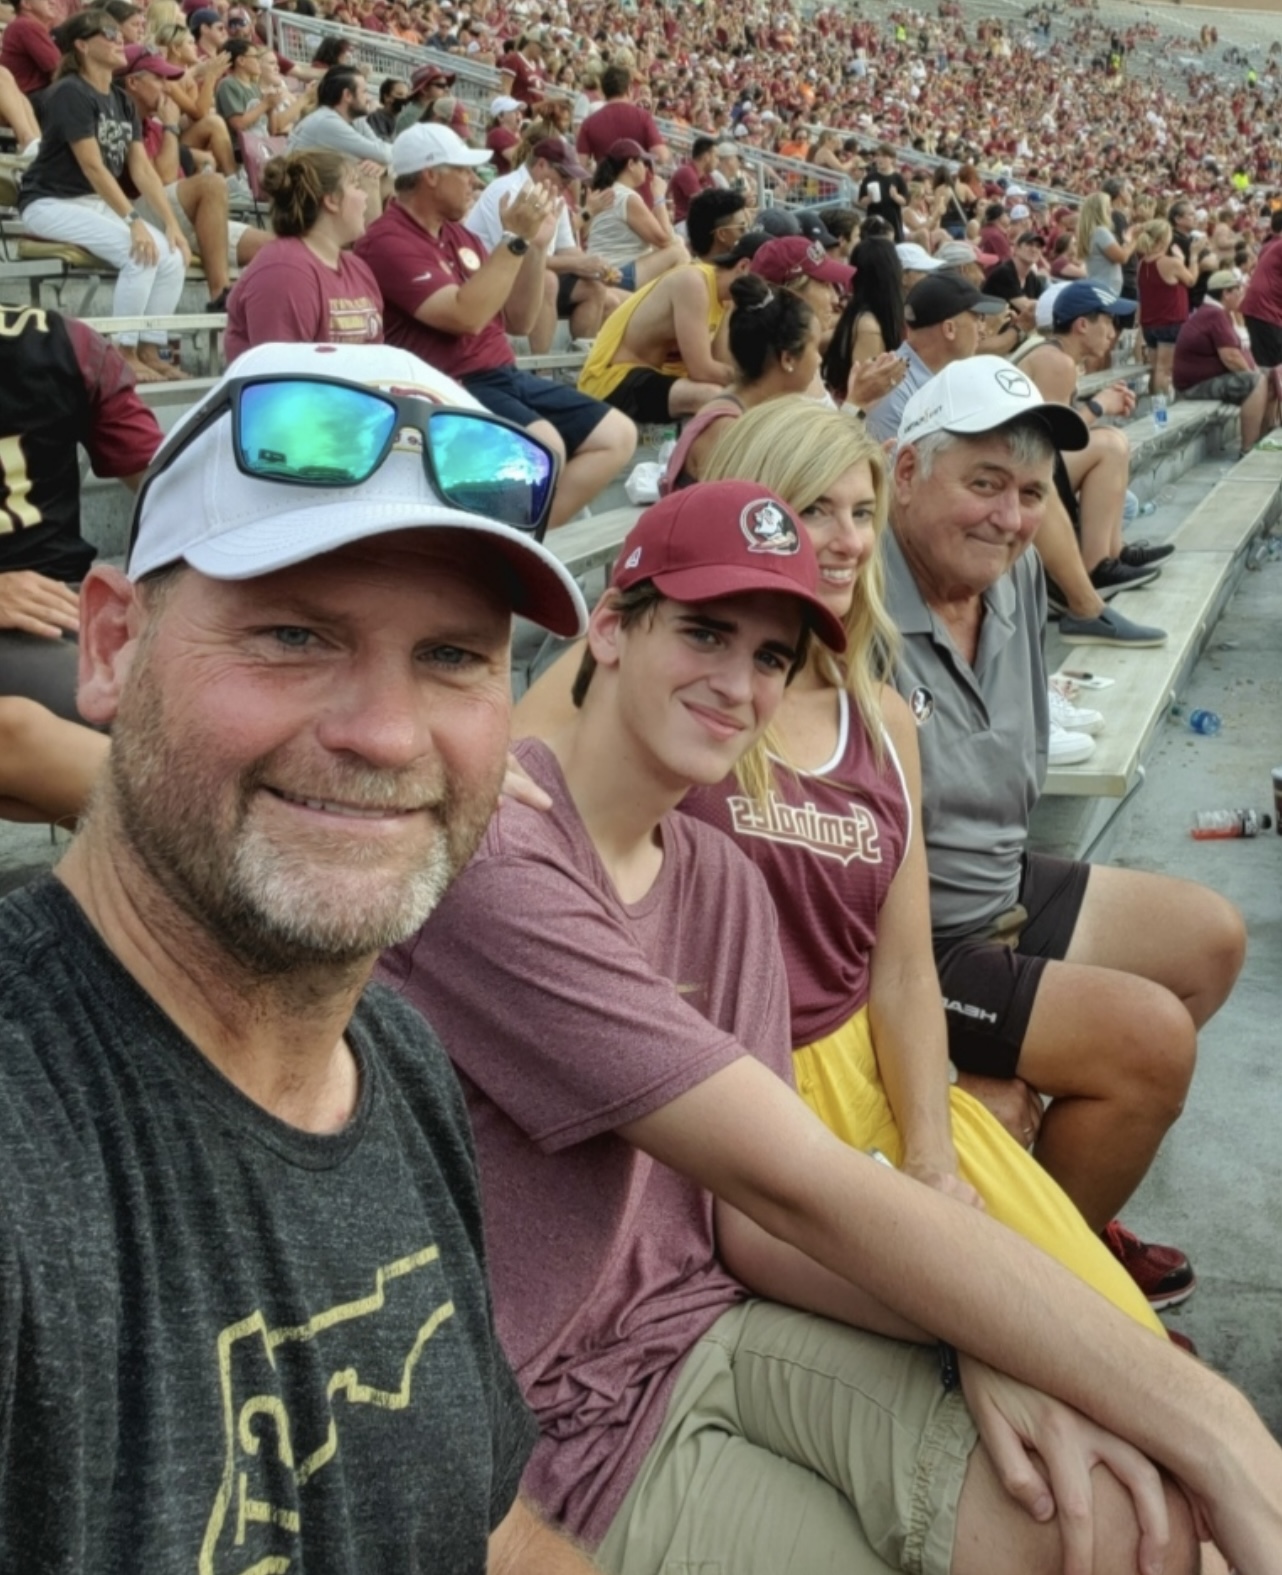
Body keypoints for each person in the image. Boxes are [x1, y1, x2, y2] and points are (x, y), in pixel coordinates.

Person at [381, 477, 1282, 1575]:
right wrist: (1216, 1422)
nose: (738, 683)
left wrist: (971, 1332)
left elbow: (747, 1228)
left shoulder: (721, 879)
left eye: (770, 656)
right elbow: (795, 1182)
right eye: (704, 633)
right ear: (611, 628)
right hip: (555, 1433)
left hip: (711, 1326)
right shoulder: (500, 857)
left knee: (1134, 1525)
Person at [0, 338, 599, 1572]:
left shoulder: (396, 1054)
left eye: (451, 657)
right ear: (109, 648)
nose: (387, 734)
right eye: (291, 634)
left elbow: (483, 1527)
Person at [518, 387, 1168, 1336]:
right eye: (812, 509)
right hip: (712, 1100)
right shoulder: (662, 675)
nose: (849, 539)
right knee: (999, 1340)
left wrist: (933, 1154)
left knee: (1104, 1327)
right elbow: (495, 776)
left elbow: (900, 973)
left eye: (862, 512)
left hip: (861, 1080)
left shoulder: (881, 716)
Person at [883, 357, 1244, 1264]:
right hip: (907, 941)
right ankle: (1046, 1279)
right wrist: (956, 1069)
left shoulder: (1009, 573)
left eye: (1032, 492)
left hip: (995, 885)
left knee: (1210, 938)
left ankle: (1066, 1190)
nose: (1010, 517)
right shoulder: (853, 607)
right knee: (1149, 1043)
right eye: (984, 483)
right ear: (905, 472)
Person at [355, 123, 635, 529]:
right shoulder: (387, 240)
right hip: (447, 384)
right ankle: (508, 543)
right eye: (463, 170)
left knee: (617, 435)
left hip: (500, 374)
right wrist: (514, 239)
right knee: (545, 447)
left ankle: (526, 538)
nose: (474, 180)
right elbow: (465, 317)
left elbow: (520, 320)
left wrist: (535, 247)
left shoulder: (460, 236)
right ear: (430, 175)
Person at [0, 300, 161, 724]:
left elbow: (169, 486)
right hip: (47, 612)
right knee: (138, 719)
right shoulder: (64, 341)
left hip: (66, 603)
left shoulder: (69, 344)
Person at [17, 8, 191, 385]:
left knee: (173, 256)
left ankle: (149, 349)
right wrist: (133, 222)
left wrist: (172, 224)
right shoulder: (69, 92)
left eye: (119, 35)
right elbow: (93, 166)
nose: (118, 40)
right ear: (82, 45)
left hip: (90, 203)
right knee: (140, 254)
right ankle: (121, 354)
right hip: (49, 202)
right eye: (108, 34)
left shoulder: (121, 100)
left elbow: (142, 169)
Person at [576, 188, 750, 423]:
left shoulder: (725, 294)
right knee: (715, 397)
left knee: (732, 395)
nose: (746, 235)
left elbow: (720, 365)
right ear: (722, 235)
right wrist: (757, 380)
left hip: (655, 378)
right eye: (742, 228)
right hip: (613, 379)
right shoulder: (691, 281)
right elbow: (702, 369)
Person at [117, 41, 267, 312]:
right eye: (158, 79)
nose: (167, 87)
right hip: (135, 216)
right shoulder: (121, 119)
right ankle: (220, 297)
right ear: (132, 83)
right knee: (211, 184)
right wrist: (171, 125)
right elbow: (164, 179)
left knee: (274, 246)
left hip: (174, 217)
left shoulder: (152, 125)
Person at [659, 275, 821, 492]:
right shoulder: (726, 430)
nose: (820, 359)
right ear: (788, 359)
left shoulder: (755, 409)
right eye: (815, 348)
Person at [464, 129, 621, 351]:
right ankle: (542, 365)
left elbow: (566, 249)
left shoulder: (553, 196)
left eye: (571, 177)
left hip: (513, 275)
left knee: (595, 288)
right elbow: (516, 255)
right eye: (564, 174)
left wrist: (597, 266)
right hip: (486, 276)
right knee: (547, 281)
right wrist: (579, 264)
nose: (568, 182)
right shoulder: (509, 191)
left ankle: (578, 364)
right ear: (541, 165)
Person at [225, 149, 383, 360]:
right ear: (332, 200)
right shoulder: (284, 271)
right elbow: (282, 371)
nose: (365, 196)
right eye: (355, 185)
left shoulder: (358, 269)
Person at [865, 273, 1006, 443]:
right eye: (977, 318)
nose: (982, 329)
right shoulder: (892, 391)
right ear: (949, 329)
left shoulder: (931, 375)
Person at [1175, 268, 1278, 455]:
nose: (1242, 294)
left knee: (1269, 378)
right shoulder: (1214, 314)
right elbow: (1230, 357)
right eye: (1238, 290)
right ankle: (1248, 449)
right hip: (1194, 386)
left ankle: (1262, 439)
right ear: (1226, 293)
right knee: (1256, 382)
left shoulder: (1218, 312)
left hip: (1205, 380)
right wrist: (1255, 375)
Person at [586, 137, 688, 293]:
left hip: (605, 271)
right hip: (614, 275)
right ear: (631, 165)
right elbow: (665, 241)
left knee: (678, 243)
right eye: (644, 162)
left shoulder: (612, 191)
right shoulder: (627, 197)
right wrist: (659, 197)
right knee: (678, 252)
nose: (647, 169)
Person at [1133, 218, 1199, 397]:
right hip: (1170, 322)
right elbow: (1191, 280)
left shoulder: (1142, 264)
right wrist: (1193, 256)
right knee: (1164, 370)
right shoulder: (1170, 263)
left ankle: (1155, 408)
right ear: (1164, 239)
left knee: (1155, 369)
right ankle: (1161, 411)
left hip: (1150, 324)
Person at [858, 143, 908, 242]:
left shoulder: (898, 178)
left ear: (892, 159)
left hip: (892, 220)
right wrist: (869, 198)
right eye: (878, 156)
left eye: (884, 156)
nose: (880, 159)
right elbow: (861, 201)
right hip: (874, 218)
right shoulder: (870, 177)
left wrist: (895, 196)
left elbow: (905, 201)